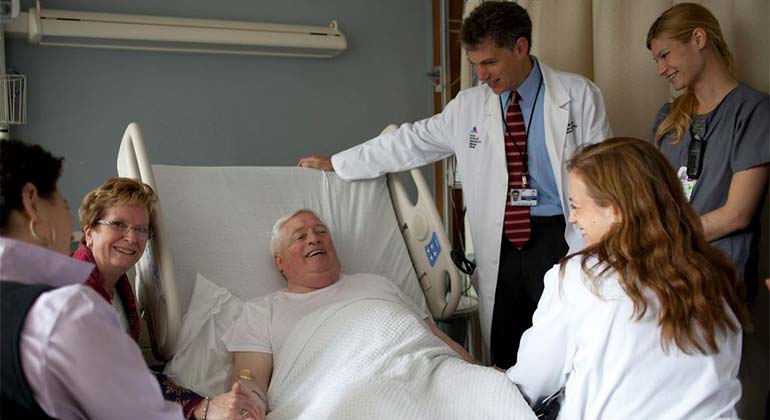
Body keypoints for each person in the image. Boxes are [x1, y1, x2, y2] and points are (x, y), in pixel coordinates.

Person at [299, 1, 611, 368]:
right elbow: (409, 142)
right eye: (474, 64)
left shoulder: (579, 96)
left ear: (520, 48)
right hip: (504, 244)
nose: (480, 75)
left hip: (560, 237)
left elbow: (606, 179)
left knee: (567, 346)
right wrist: (339, 163)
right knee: (508, 350)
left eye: (489, 63)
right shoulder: (468, 106)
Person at [507, 137, 750, 419]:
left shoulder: (581, 278)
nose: (572, 218)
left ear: (616, 210)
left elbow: (529, 383)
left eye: (577, 206)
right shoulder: (714, 273)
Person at [226, 209, 475, 418]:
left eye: (321, 232)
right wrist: (245, 408)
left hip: (429, 378)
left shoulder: (378, 284)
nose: (313, 238)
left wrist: (478, 371)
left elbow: (434, 339)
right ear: (279, 261)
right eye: (299, 237)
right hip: (339, 397)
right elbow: (250, 376)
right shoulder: (262, 311)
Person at [0, 139, 183, 419]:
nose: (132, 237)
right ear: (32, 202)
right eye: (63, 203)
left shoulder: (120, 294)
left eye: (142, 229)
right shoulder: (68, 311)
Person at [74, 177, 260, 420]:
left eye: (141, 229)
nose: (131, 238)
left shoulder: (117, 287)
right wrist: (202, 408)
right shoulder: (74, 292)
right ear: (89, 232)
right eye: (118, 224)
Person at [647, 2, 769, 302]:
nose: (661, 70)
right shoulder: (668, 118)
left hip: (720, 279)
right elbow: (651, 198)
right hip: (664, 275)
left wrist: (665, 239)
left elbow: (737, 215)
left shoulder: (754, 112)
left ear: (698, 39)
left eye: (665, 55)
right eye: (656, 60)